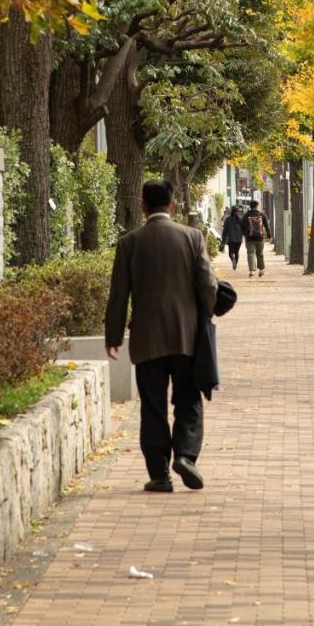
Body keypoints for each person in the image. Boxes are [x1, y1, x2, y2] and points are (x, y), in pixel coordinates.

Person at [105, 179, 218, 494]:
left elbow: (119, 295)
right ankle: (185, 455)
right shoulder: (193, 237)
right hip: (187, 336)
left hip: (146, 338)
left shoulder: (130, 243)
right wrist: (205, 314)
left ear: (142, 205)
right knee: (188, 399)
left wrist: (113, 335)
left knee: (152, 407)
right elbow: (208, 285)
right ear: (173, 205)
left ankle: (159, 475)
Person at [241, 198, 271, 278]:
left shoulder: (246, 215)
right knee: (260, 254)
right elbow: (266, 226)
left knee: (250, 253)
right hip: (260, 238)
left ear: (250, 206)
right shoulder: (261, 215)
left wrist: (245, 234)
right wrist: (269, 235)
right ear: (257, 206)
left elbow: (242, 226)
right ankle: (261, 270)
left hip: (249, 238)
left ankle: (251, 271)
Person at [220, 205, 243, 270]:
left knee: (230, 253)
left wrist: (223, 239)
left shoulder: (228, 219)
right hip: (239, 239)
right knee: (236, 252)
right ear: (238, 211)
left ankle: (233, 260)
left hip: (231, 239)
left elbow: (225, 230)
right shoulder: (240, 219)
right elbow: (243, 229)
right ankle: (235, 263)